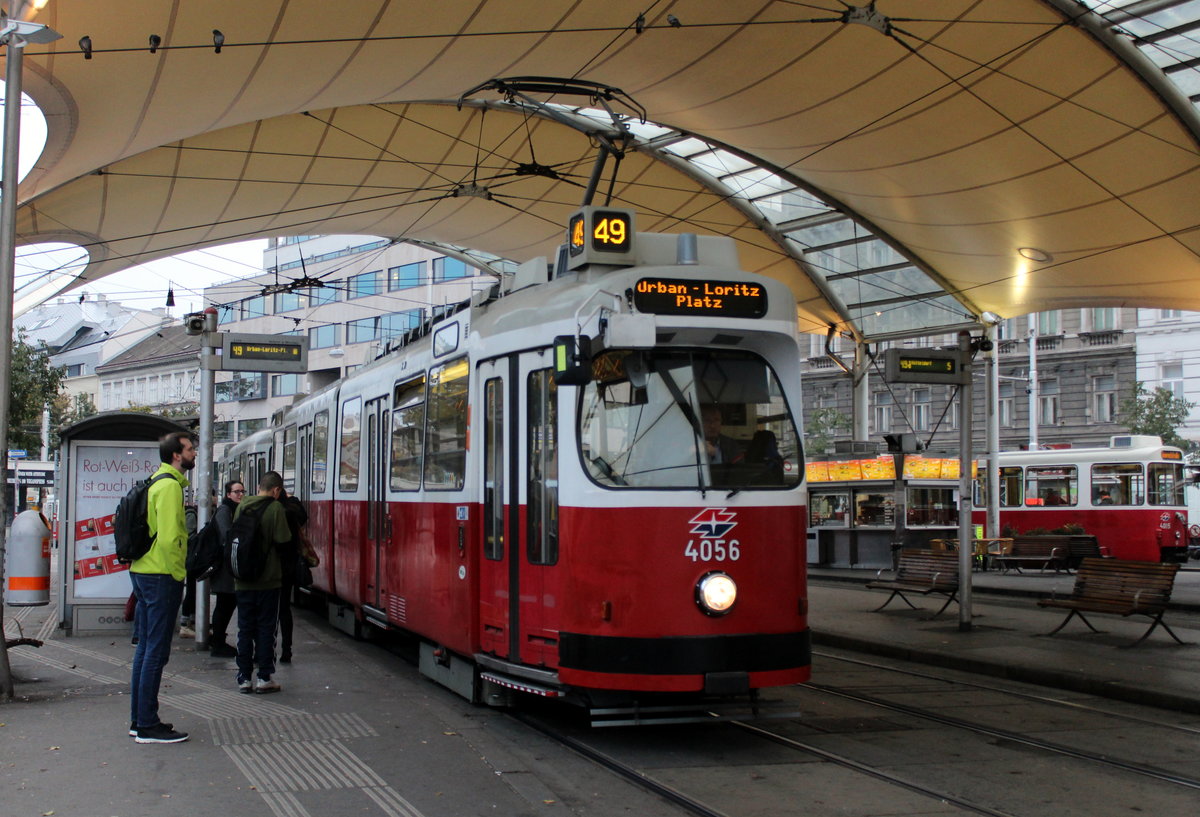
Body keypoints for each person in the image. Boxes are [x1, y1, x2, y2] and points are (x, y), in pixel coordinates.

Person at [128, 431, 196, 744]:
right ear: (176, 455)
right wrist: (178, 574)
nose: (194, 453)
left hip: (143, 571)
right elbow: (170, 539)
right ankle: (147, 725)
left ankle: (139, 720)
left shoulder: (155, 481)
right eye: (190, 449)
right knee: (156, 651)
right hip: (161, 575)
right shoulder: (170, 487)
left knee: (145, 649)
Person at [233, 471, 292, 694]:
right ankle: (264, 677)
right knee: (267, 629)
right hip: (268, 580)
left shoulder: (242, 506)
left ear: (259, 486)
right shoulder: (275, 508)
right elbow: (284, 541)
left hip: (243, 580)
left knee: (245, 629)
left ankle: (243, 677)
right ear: (276, 490)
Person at [207, 480, 244, 658]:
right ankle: (218, 643)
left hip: (228, 565)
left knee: (227, 604)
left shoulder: (234, 510)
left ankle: (219, 640)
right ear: (228, 494)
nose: (240, 494)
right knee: (224, 604)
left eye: (242, 491)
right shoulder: (225, 510)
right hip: (224, 567)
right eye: (236, 492)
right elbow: (226, 536)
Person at [276, 487, 308, 664]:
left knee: (269, 611)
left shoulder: (270, 511)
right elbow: (302, 516)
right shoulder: (292, 510)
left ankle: (265, 649)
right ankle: (286, 650)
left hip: (270, 569)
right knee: (284, 609)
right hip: (288, 567)